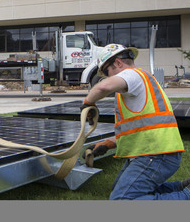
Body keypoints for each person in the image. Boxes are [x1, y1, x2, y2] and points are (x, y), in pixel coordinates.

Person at [80, 43, 190, 200]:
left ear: (118, 62)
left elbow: (101, 88)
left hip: (156, 154)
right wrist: (108, 143)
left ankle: (186, 196)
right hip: (155, 152)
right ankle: (181, 187)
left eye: (106, 71)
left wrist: (88, 103)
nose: (106, 76)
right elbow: (139, 127)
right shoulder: (137, 82)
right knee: (118, 189)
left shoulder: (132, 75)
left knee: (122, 200)